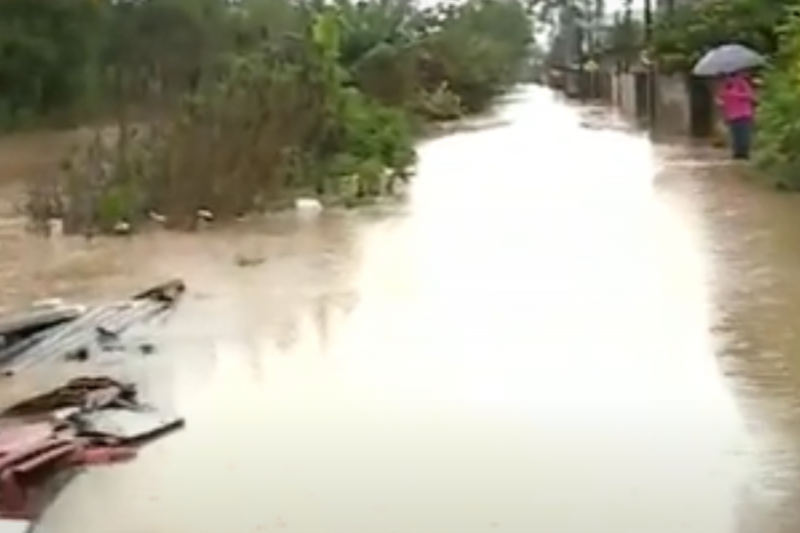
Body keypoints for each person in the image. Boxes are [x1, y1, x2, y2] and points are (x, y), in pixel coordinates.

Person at [716, 72, 756, 160]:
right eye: (723, 78)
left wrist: (735, 95)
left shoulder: (741, 83)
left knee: (744, 137)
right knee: (735, 138)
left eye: (726, 77)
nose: (725, 80)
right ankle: (737, 156)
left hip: (744, 114)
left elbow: (751, 96)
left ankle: (745, 155)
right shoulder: (724, 87)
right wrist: (720, 101)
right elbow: (720, 99)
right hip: (731, 115)